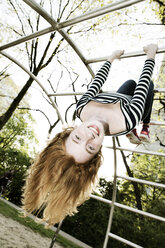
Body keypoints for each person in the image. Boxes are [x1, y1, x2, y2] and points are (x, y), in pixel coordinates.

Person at [22, 44, 158, 227]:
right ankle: (144, 127)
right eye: (91, 147)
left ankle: (130, 131)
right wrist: (151, 53)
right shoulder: (127, 119)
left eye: (77, 138)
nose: (90, 135)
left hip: (118, 97)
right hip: (128, 109)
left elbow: (97, 82)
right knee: (147, 85)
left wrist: (111, 57)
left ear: (68, 134)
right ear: (98, 151)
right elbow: (144, 79)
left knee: (129, 84)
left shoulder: (81, 109)